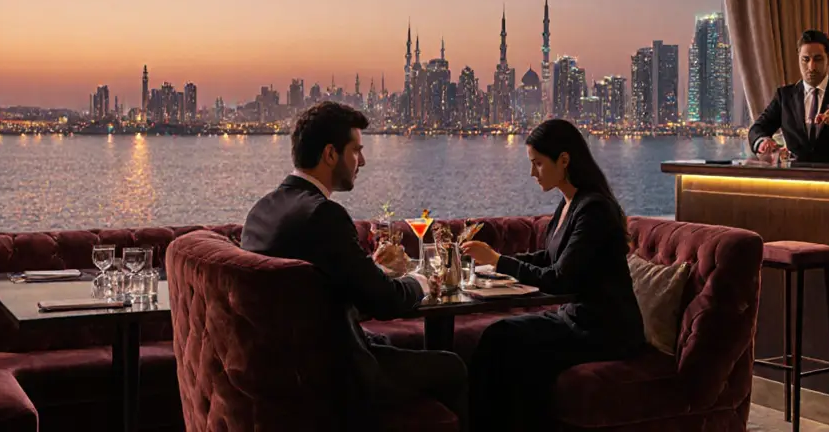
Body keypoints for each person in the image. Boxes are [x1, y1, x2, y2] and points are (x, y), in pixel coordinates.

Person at [241, 101, 467, 429]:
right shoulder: (323, 214)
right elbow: (384, 301)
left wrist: (371, 268)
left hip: (279, 367)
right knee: (453, 366)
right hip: (333, 376)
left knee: (388, 343)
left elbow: (322, 284)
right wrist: (421, 279)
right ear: (331, 154)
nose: (362, 161)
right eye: (356, 150)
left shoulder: (263, 209)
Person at [460, 119, 644, 432]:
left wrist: (499, 261)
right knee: (496, 336)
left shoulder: (595, 210)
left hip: (604, 330)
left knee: (512, 348)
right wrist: (493, 263)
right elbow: (550, 257)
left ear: (564, 159)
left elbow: (560, 278)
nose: (533, 173)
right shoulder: (568, 204)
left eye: (538, 164)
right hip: (574, 319)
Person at [748, 29, 829, 164]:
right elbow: (757, 129)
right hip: (796, 180)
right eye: (805, 59)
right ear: (799, 58)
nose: (811, 67)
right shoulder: (785, 96)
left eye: (818, 59)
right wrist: (762, 142)